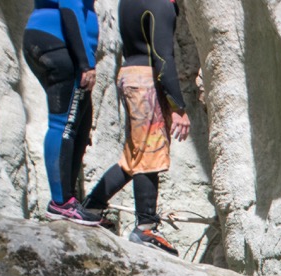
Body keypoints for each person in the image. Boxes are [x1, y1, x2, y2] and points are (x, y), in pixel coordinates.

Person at [84, 0, 191, 255]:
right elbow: (164, 57)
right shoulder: (161, 5)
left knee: (134, 154)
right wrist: (178, 107)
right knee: (149, 152)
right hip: (146, 81)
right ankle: (146, 227)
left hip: (129, 73)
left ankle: (92, 206)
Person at [23, 0, 101, 225]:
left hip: (52, 39)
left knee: (80, 123)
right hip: (58, 42)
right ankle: (61, 203)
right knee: (63, 124)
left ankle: (68, 199)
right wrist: (85, 62)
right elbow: (70, 6)